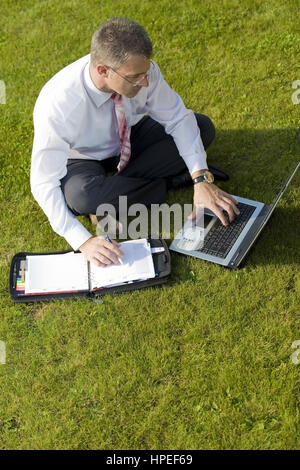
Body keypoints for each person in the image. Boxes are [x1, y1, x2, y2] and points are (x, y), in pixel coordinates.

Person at [31, 17, 239, 268]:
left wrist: (200, 178)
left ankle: (120, 199)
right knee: (80, 197)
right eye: (135, 77)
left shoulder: (142, 71)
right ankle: (169, 180)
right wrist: (83, 241)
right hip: (82, 156)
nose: (146, 82)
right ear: (103, 70)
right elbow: (43, 182)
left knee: (201, 127)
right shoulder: (58, 105)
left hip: (131, 134)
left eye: (146, 72)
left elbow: (178, 119)